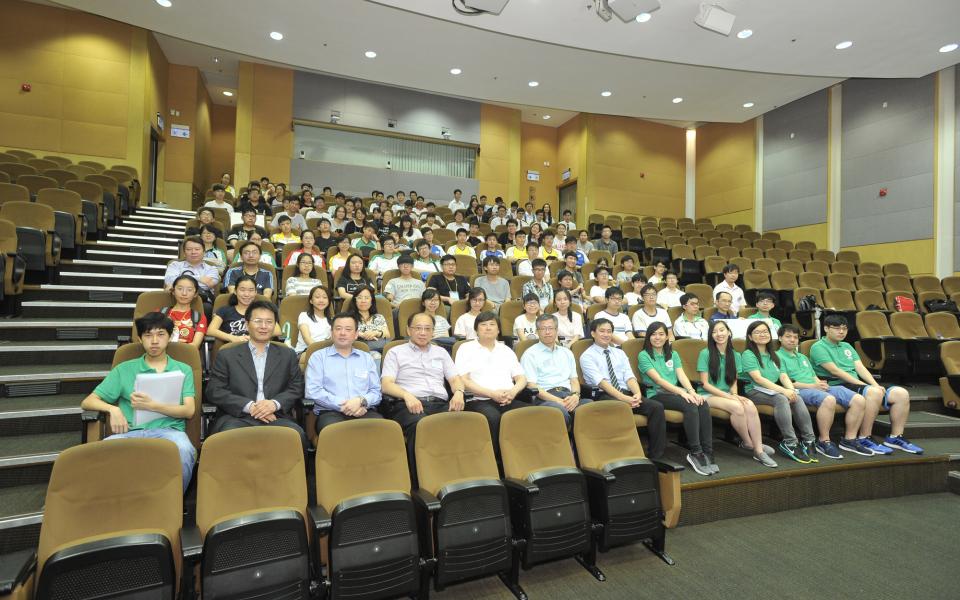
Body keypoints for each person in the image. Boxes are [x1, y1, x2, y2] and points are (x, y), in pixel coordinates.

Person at [80, 312, 197, 491]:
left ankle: (173, 503)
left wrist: (151, 406)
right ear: (141, 339)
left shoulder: (183, 369)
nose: (154, 341)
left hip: (169, 432)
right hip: (130, 433)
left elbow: (189, 410)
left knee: (185, 450)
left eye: (160, 334)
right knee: (101, 452)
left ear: (170, 336)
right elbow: (88, 401)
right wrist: (113, 409)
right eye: (148, 335)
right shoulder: (124, 369)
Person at [809, 314, 923, 454]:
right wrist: (866, 386)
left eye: (844, 328)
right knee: (873, 392)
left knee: (901, 393)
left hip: (855, 383)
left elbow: (860, 367)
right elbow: (836, 371)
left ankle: (895, 437)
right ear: (826, 328)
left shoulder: (847, 346)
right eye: (837, 328)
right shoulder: (818, 347)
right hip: (837, 384)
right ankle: (864, 437)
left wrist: (874, 383)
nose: (841, 331)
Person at [207, 300, 307, 449]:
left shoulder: (288, 354)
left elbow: (297, 387)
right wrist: (250, 406)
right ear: (247, 324)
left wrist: (274, 404)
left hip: (276, 416)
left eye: (269, 322)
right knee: (226, 437)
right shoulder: (227, 354)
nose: (264, 326)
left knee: (296, 435)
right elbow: (215, 390)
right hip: (237, 417)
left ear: (275, 325)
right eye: (258, 321)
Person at [381, 312, 466, 460]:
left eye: (427, 329)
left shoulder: (441, 352)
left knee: (463, 424)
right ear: (408, 330)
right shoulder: (395, 352)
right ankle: (422, 479)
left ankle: (457, 473)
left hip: (440, 404)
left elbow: (455, 379)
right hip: (409, 404)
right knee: (422, 426)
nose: (423, 333)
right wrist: (407, 395)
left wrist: (459, 392)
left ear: (433, 332)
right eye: (418, 328)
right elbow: (386, 385)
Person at [580, 318, 667, 459]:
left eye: (609, 331)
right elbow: (602, 383)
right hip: (603, 395)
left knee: (656, 407)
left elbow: (629, 377)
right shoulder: (587, 356)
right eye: (602, 331)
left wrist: (637, 394)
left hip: (626, 393)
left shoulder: (619, 353)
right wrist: (624, 399)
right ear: (593, 333)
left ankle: (656, 456)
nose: (606, 334)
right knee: (621, 406)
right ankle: (625, 455)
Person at [776, 324, 865, 459]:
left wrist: (819, 383)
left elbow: (814, 377)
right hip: (799, 390)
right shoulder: (776, 356)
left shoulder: (802, 357)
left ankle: (850, 439)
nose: (792, 340)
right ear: (780, 338)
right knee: (828, 399)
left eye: (795, 337)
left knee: (859, 399)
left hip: (814, 387)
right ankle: (824, 441)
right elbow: (789, 382)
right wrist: (813, 386)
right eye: (788, 337)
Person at [637, 322, 716, 475]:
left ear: (667, 336)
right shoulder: (644, 355)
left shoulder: (673, 353)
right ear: (648, 337)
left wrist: (692, 391)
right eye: (653, 334)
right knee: (690, 405)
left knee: (702, 402)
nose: (657, 337)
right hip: (657, 394)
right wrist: (683, 393)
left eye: (661, 334)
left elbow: (681, 375)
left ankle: (708, 450)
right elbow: (659, 380)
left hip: (675, 392)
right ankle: (696, 452)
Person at [698, 320, 776, 467]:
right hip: (707, 395)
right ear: (710, 335)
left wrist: (734, 394)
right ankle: (749, 444)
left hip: (727, 395)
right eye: (714, 332)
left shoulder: (735, 355)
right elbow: (705, 384)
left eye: (722, 330)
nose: (719, 334)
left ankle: (758, 448)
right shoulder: (705, 353)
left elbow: (733, 381)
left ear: (729, 332)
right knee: (738, 407)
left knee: (750, 405)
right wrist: (730, 396)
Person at [741, 320, 817, 463]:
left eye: (765, 331)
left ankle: (809, 440)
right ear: (750, 337)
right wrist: (784, 391)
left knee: (796, 396)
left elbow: (783, 376)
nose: (762, 334)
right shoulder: (748, 354)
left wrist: (791, 390)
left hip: (771, 390)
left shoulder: (773, 354)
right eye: (757, 332)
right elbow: (758, 379)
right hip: (753, 391)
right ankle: (790, 442)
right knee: (781, 398)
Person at [455, 311, 532, 443]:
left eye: (492, 324)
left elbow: (522, 378)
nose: (488, 327)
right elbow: (463, 380)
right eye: (483, 324)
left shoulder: (506, 350)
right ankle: (498, 458)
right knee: (493, 417)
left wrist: (513, 392)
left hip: (508, 399)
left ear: (498, 330)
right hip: (479, 401)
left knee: (533, 413)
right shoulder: (465, 348)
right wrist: (491, 394)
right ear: (476, 330)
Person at [306, 313, 383, 434]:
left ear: (356, 334)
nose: (342, 333)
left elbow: (376, 391)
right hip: (331, 412)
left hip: (363, 410)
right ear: (331, 332)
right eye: (338, 329)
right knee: (337, 432)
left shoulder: (367, 358)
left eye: (348, 329)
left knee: (382, 430)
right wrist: (345, 405)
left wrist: (361, 401)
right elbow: (313, 391)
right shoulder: (318, 357)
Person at [521, 314, 588, 428]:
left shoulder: (566, 352)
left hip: (568, 395)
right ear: (537, 331)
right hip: (545, 398)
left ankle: (581, 443)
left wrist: (575, 396)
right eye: (543, 329)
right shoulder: (530, 354)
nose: (547, 332)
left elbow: (574, 381)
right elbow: (532, 385)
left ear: (557, 330)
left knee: (589, 407)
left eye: (551, 328)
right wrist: (558, 401)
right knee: (559, 411)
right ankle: (566, 442)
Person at [164, 237, 220, 305]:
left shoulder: (212, 268)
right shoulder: (174, 265)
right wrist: (199, 278)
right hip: (176, 299)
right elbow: (169, 281)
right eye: (189, 249)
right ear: (184, 253)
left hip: (202, 300)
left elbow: (207, 286)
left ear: (204, 252)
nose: (193, 252)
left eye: (197, 249)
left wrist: (180, 280)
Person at [161, 275, 206, 348]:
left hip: (186, 355)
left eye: (189, 290)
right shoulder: (161, 313)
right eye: (180, 288)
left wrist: (179, 346)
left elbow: (195, 345)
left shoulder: (199, 317)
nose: (184, 293)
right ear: (173, 291)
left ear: (195, 294)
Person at [209, 276, 254, 343]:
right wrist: (233, 338)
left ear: (256, 292)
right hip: (232, 349)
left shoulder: (262, 311)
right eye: (242, 290)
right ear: (235, 291)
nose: (246, 294)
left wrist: (257, 337)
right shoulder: (224, 310)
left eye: (251, 290)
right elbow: (210, 330)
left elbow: (275, 330)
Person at [295, 285, 332, 354]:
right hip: (306, 352)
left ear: (329, 301)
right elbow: (307, 339)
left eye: (325, 297)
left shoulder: (332, 320)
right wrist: (321, 353)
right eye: (317, 297)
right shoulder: (304, 315)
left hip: (326, 353)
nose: (321, 300)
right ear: (311, 301)